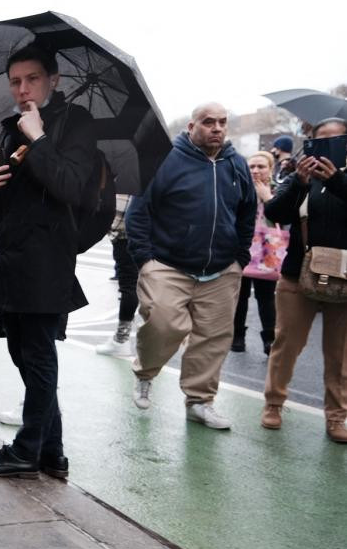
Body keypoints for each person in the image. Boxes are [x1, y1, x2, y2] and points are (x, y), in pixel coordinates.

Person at [0, 44, 96, 480]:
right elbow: (7, 206)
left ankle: (25, 451)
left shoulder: (73, 124)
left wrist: (39, 137)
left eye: (32, 79)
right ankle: (51, 452)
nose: (22, 90)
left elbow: (72, 187)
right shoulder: (10, 129)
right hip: (13, 259)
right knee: (23, 353)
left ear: (53, 80)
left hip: (47, 260)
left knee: (38, 356)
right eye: (16, 82)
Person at [126, 102, 256, 429]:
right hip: (168, 264)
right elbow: (138, 213)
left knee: (212, 338)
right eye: (208, 122)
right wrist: (145, 260)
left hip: (222, 269)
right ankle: (145, 372)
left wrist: (240, 258)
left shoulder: (235, 164)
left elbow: (247, 212)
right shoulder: (165, 160)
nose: (217, 128)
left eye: (222, 122)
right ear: (191, 127)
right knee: (164, 323)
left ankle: (200, 400)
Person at [260, 117, 347, 441]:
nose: (326, 145)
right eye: (319, 140)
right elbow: (275, 213)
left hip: (345, 278)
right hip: (298, 275)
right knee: (286, 345)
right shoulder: (299, 176)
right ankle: (273, 403)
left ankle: (337, 417)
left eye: (335, 139)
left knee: (340, 355)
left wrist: (337, 181)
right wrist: (298, 180)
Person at [232, 151, 279, 354]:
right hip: (241, 247)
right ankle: (237, 337)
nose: (256, 170)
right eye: (252, 167)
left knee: (266, 297)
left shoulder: (279, 190)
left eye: (261, 166)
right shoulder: (239, 187)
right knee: (239, 296)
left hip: (268, 249)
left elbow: (284, 218)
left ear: (270, 169)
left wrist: (267, 198)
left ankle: (269, 339)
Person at [95, 194, 139, 357]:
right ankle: (152, 345)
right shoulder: (161, 173)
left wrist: (110, 229)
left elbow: (120, 215)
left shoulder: (131, 178)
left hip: (128, 239)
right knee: (152, 290)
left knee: (129, 286)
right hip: (154, 239)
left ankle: (122, 339)